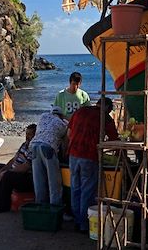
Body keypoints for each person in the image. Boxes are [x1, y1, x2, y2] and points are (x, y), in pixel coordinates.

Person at [67, 97, 120, 234]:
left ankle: (77, 220)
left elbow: (69, 132)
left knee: (75, 189)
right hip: (89, 156)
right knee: (87, 191)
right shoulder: (105, 117)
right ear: (108, 108)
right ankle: (84, 224)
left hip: (73, 154)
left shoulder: (80, 111)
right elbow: (114, 139)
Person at [0, 124, 36, 213]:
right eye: (26, 134)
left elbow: (26, 167)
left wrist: (7, 172)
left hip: (27, 177)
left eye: (30, 134)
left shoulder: (34, 148)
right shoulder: (24, 145)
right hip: (15, 170)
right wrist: (2, 170)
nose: (27, 136)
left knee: (8, 175)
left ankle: (4, 206)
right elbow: (14, 159)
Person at [30, 105, 68, 206]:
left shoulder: (43, 116)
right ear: (61, 115)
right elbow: (65, 144)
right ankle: (55, 207)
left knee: (39, 180)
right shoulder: (63, 124)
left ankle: (41, 205)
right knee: (54, 181)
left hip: (34, 145)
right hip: (48, 147)